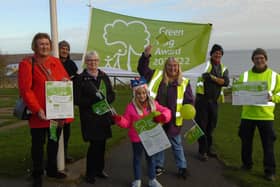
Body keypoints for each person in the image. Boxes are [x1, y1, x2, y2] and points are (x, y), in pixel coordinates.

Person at [18, 33, 71, 187]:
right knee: (38, 145)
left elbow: (65, 78)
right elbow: (25, 90)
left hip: (55, 114)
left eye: (47, 44)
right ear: (35, 46)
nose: (44, 46)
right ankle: (37, 173)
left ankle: (52, 169)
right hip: (39, 116)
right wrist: (37, 109)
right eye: (41, 44)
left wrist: (65, 81)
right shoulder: (27, 63)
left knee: (53, 141)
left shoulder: (55, 61)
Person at [137, 45, 194, 179]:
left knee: (177, 145)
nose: (172, 68)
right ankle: (159, 165)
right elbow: (142, 69)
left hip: (174, 120)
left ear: (178, 67)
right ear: (165, 66)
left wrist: (189, 107)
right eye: (169, 65)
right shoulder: (156, 75)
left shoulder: (184, 82)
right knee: (159, 144)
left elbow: (189, 100)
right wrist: (146, 55)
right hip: (157, 117)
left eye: (175, 66)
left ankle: (182, 167)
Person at [113, 77, 171, 187]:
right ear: (135, 94)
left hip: (152, 137)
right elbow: (127, 123)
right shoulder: (130, 107)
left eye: (144, 93)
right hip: (137, 138)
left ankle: (152, 179)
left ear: (147, 92)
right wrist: (119, 120)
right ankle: (137, 180)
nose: (142, 96)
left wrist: (163, 117)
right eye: (139, 93)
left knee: (151, 159)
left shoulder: (153, 103)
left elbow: (167, 111)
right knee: (137, 159)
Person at [238, 48, 280, 181]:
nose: (259, 60)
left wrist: (272, 97)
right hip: (247, 115)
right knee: (246, 143)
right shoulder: (244, 75)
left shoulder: (275, 76)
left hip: (265, 116)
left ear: (266, 59)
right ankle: (246, 165)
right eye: (256, 58)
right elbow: (237, 92)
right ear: (253, 60)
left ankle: (270, 171)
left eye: (261, 57)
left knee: (268, 145)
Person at [74, 51, 115, 184]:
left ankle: (99, 169)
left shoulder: (103, 76)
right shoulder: (80, 78)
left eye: (95, 60)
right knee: (94, 145)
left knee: (102, 144)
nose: (93, 63)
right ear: (86, 62)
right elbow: (76, 99)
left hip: (103, 116)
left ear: (99, 61)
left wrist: (105, 100)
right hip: (90, 117)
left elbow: (111, 95)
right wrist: (93, 101)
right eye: (90, 60)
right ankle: (90, 173)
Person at [194, 44, 229, 161]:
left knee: (211, 126)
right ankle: (201, 151)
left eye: (220, 53)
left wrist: (213, 78)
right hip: (202, 100)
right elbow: (204, 76)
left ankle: (209, 149)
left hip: (214, 102)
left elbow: (226, 82)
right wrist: (218, 80)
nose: (218, 54)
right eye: (216, 52)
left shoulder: (224, 68)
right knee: (201, 126)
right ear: (211, 54)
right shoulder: (205, 64)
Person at [58, 40, 78, 164]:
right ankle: (55, 157)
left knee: (66, 130)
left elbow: (76, 79)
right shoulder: (53, 62)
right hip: (55, 101)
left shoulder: (71, 64)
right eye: (62, 48)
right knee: (55, 130)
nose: (65, 51)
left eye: (67, 49)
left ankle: (64, 154)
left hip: (67, 101)